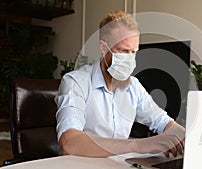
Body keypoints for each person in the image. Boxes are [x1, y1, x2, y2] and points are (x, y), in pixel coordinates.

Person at [55, 10, 185, 158]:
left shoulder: (133, 86)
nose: (130, 59)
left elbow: (163, 122)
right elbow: (70, 143)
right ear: (104, 48)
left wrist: (191, 139)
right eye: (123, 51)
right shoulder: (75, 82)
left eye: (134, 52)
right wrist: (140, 145)